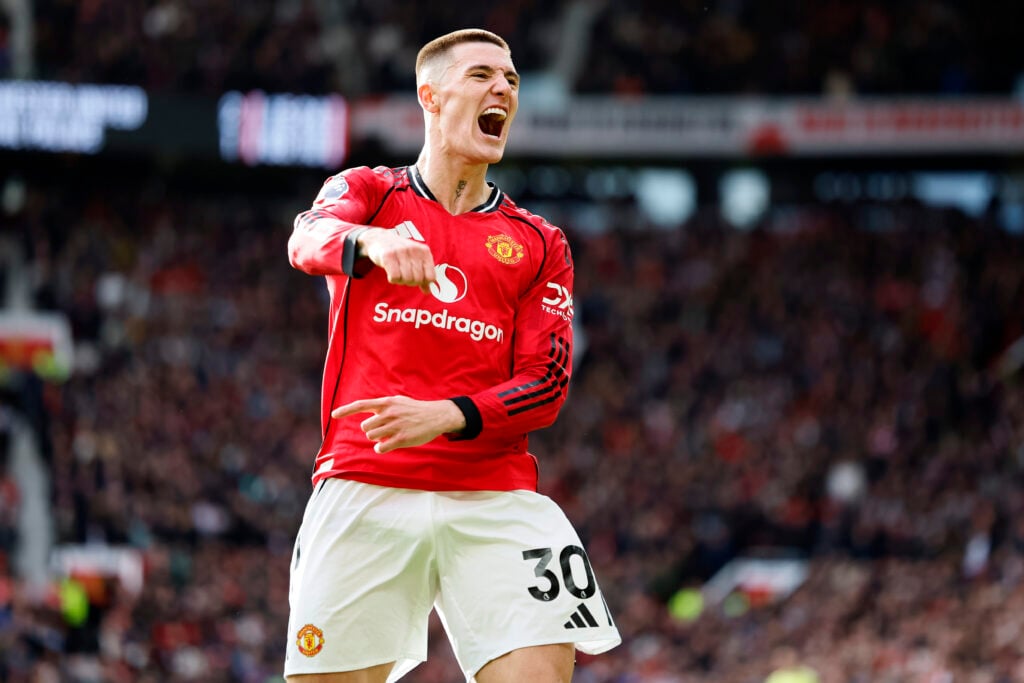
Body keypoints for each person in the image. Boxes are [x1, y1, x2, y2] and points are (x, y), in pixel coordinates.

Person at [283, 28, 621, 683]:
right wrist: (371, 243)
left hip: (494, 497)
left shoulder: (540, 242)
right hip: (365, 483)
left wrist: (446, 414)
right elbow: (306, 238)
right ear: (431, 97)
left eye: (512, 79)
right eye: (482, 75)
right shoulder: (370, 193)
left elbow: (547, 383)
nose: (503, 89)